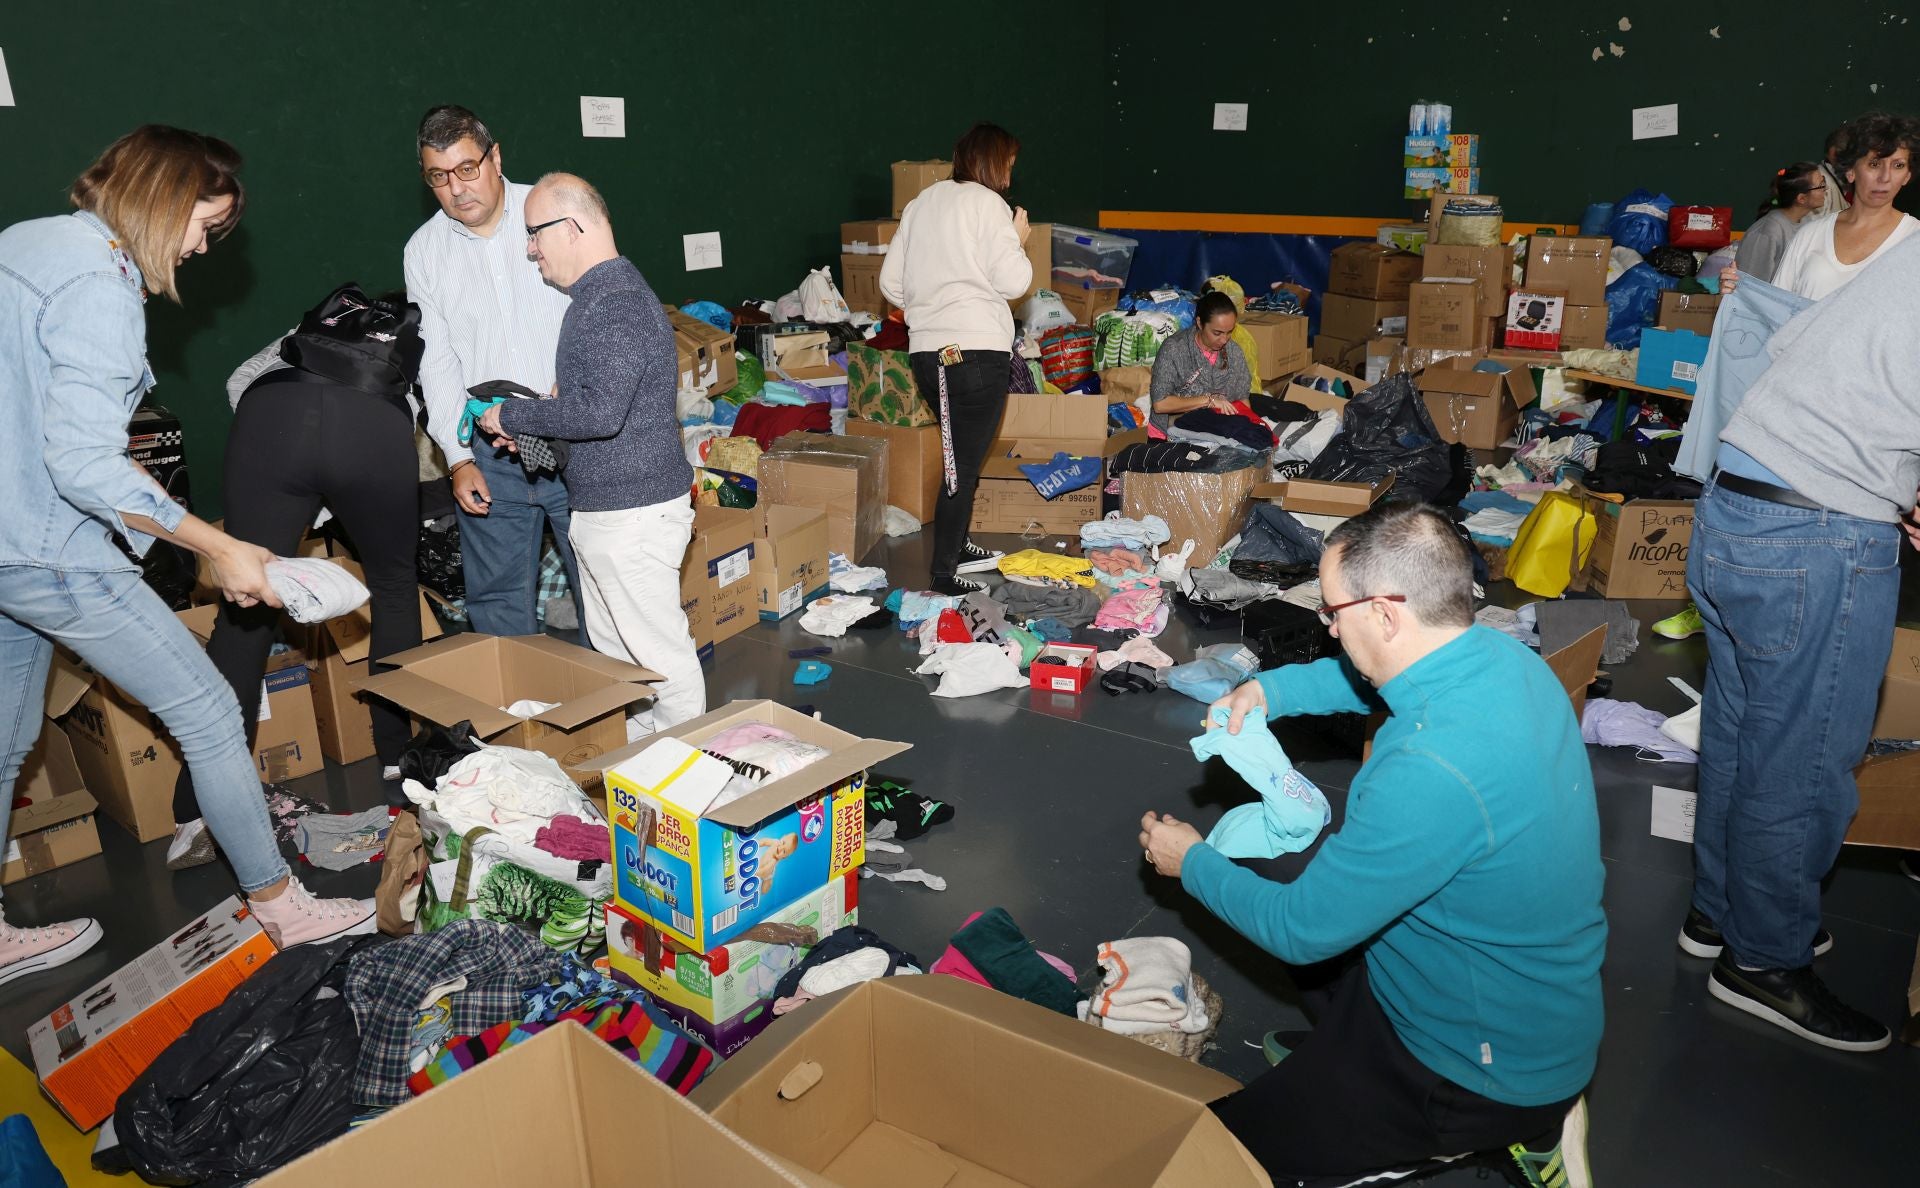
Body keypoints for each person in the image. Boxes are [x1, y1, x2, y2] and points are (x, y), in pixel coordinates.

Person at [0, 127, 375, 985]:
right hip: (52, 549)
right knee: (208, 709)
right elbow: (81, 461)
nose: (202, 247)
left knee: (2, 742)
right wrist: (217, 547)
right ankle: (282, 907)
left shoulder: (25, 243)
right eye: (204, 225)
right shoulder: (100, 281)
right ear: (165, 198)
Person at [1139, 504, 1602, 1186]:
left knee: (1216, 1158)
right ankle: (1346, 1053)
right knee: (1285, 859)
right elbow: (1371, 679)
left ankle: (1520, 1128)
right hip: (1516, 996)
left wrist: (1194, 864)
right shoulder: (1500, 655)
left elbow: (1301, 932)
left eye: (1331, 612)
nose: (1325, 626)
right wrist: (1270, 688)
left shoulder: (1427, 769)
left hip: (1476, 1070)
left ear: (1385, 614)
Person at [1680, 229, 1920, 1054]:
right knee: (1807, 761)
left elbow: (1795, 342)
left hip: (1733, 508)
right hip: (1819, 538)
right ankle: (1765, 959)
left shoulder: (1906, 262)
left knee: (1743, 732)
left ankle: (1721, 908)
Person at [165, 288, 428, 869]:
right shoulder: (413, 339)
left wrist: (295, 482)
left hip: (272, 416)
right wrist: (338, 491)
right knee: (391, 584)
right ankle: (397, 760)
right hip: (371, 429)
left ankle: (194, 813)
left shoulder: (316, 323)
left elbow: (241, 382)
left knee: (246, 606)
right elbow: (411, 417)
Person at [477, 174, 705, 731]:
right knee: (622, 661)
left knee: (658, 658)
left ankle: (691, 782)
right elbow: (596, 410)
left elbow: (601, 414)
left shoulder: (614, 302)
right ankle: (645, 778)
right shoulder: (596, 298)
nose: (531, 249)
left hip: (632, 513)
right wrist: (540, 430)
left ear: (572, 226)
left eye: (534, 234)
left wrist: (512, 415)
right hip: (609, 508)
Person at [403, 105, 579, 637]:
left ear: (495, 157)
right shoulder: (424, 251)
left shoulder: (548, 212)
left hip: (575, 438)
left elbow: (598, 308)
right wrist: (457, 461)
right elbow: (435, 362)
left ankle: (620, 714)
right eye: (438, 176)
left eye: (466, 169)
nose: (456, 189)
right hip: (489, 449)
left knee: (603, 587)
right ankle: (517, 716)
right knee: (498, 605)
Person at [880, 123, 1032, 596]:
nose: (1009, 174)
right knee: (960, 467)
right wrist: (1016, 238)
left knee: (959, 458)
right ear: (994, 161)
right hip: (974, 354)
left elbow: (890, 284)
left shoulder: (922, 203)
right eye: (1008, 163)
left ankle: (959, 547)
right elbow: (1014, 282)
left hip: (931, 354)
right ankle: (944, 575)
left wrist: (934, 301)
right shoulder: (990, 206)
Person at [1146, 291, 1251, 432]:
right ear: (1200, 323)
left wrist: (1247, 426)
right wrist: (1209, 401)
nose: (1224, 339)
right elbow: (1160, 404)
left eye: (1230, 331)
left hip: (1219, 429)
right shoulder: (1175, 349)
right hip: (1172, 431)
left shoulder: (1234, 351)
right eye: (1217, 333)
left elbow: (1242, 398)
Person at [1733, 162, 1826, 283]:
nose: (1826, 189)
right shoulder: (1768, 231)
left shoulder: (1807, 222)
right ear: (1801, 198)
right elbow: (1750, 286)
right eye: (1821, 185)